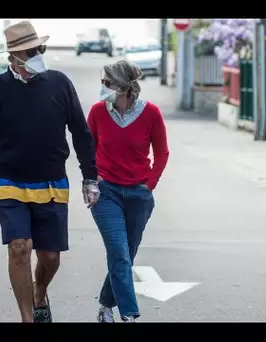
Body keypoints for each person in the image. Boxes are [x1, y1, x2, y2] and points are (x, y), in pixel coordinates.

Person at [0, 21, 100, 323]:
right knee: (19, 248)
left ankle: (39, 292)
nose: (37, 55)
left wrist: (90, 177)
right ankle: (27, 318)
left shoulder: (60, 84)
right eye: (30, 52)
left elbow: (81, 133)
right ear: (13, 58)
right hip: (8, 181)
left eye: (39, 49)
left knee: (50, 256)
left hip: (52, 181)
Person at [87, 60, 170, 323]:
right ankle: (129, 315)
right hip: (106, 193)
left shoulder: (151, 113)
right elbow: (86, 149)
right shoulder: (98, 112)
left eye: (107, 83)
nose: (103, 87)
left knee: (126, 255)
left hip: (138, 195)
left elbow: (162, 152)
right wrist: (91, 179)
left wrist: (150, 183)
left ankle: (105, 306)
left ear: (124, 86)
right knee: (119, 253)